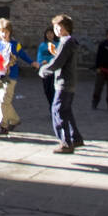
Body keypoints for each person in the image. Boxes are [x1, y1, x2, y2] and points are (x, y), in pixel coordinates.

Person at [40, 14, 84, 153]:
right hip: (69, 81)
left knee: (57, 110)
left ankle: (66, 143)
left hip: (63, 82)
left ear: (66, 28)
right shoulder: (69, 42)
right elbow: (62, 58)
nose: (56, 30)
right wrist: (55, 53)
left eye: (59, 27)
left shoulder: (66, 42)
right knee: (66, 110)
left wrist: (43, 70)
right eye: (55, 27)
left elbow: (59, 62)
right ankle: (75, 138)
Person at [0, 18, 34, 135]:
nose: (4, 34)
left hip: (11, 76)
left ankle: (1, 125)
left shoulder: (16, 45)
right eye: (2, 31)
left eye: (6, 31)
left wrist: (32, 62)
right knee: (2, 100)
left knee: (4, 100)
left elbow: (23, 55)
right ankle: (14, 120)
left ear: (10, 32)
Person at [36, 27, 57, 107]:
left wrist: (49, 61)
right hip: (45, 70)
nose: (49, 35)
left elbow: (57, 57)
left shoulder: (57, 44)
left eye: (51, 33)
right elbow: (39, 56)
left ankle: (53, 106)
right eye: (48, 33)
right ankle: (51, 104)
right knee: (47, 90)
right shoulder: (42, 45)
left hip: (54, 70)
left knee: (53, 89)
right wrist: (41, 63)